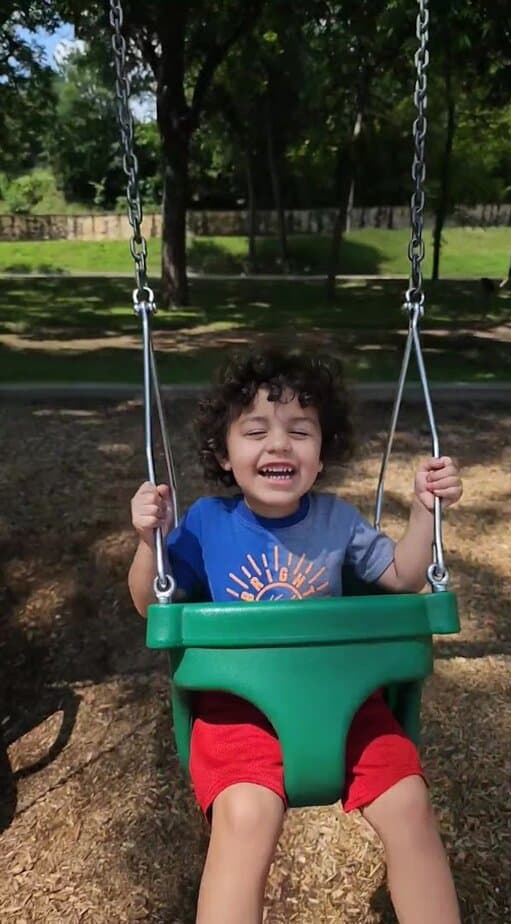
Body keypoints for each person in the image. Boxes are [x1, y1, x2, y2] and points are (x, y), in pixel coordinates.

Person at [129, 349, 463, 924]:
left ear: (321, 452)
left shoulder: (338, 520)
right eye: (256, 431)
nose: (279, 445)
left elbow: (406, 577)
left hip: (349, 705)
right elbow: (149, 603)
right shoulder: (207, 522)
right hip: (240, 714)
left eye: (299, 432)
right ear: (224, 455)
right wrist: (145, 542)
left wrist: (425, 513)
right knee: (245, 817)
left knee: (410, 803)